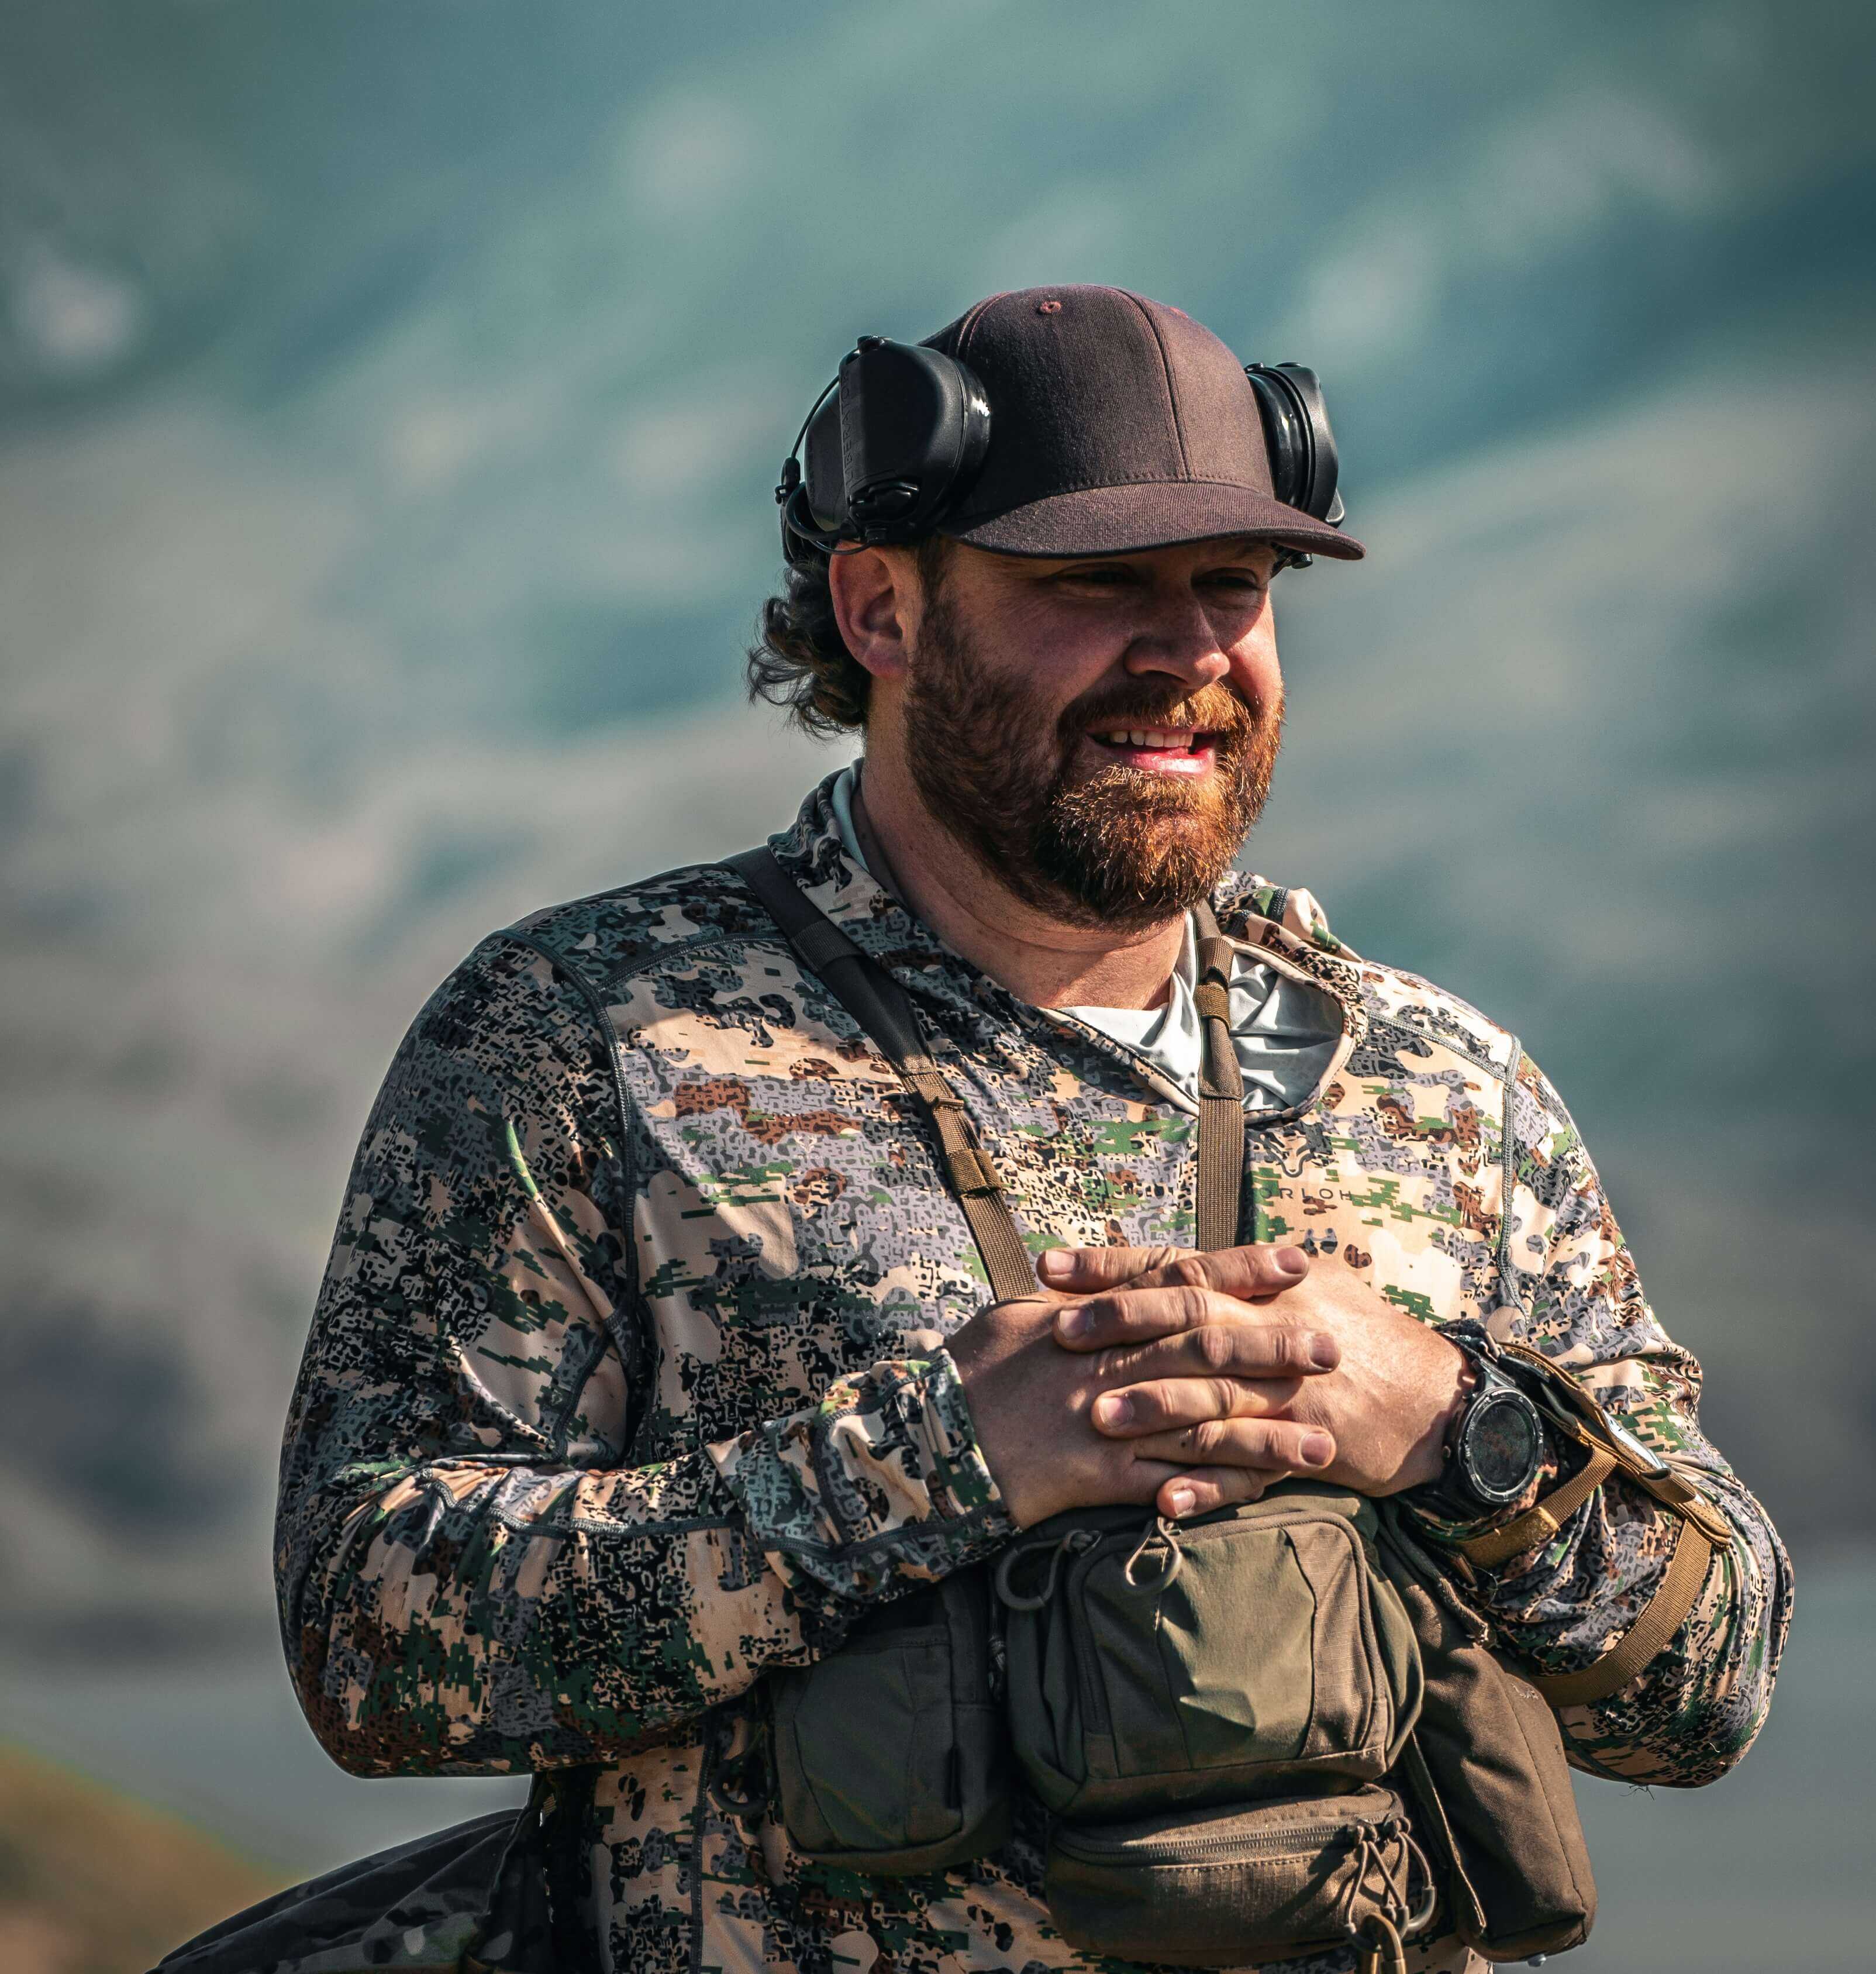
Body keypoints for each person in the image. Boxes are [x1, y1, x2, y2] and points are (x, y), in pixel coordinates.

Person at [277, 286, 1791, 1974]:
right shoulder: (589, 1035)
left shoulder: (1440, 1087)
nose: (1189, 653)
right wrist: (928, 1462)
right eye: (1095, 584)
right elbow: (367, 1638)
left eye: (1234, 584)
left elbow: (1709, 1683)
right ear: (881, 609)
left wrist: (1451, 1427)